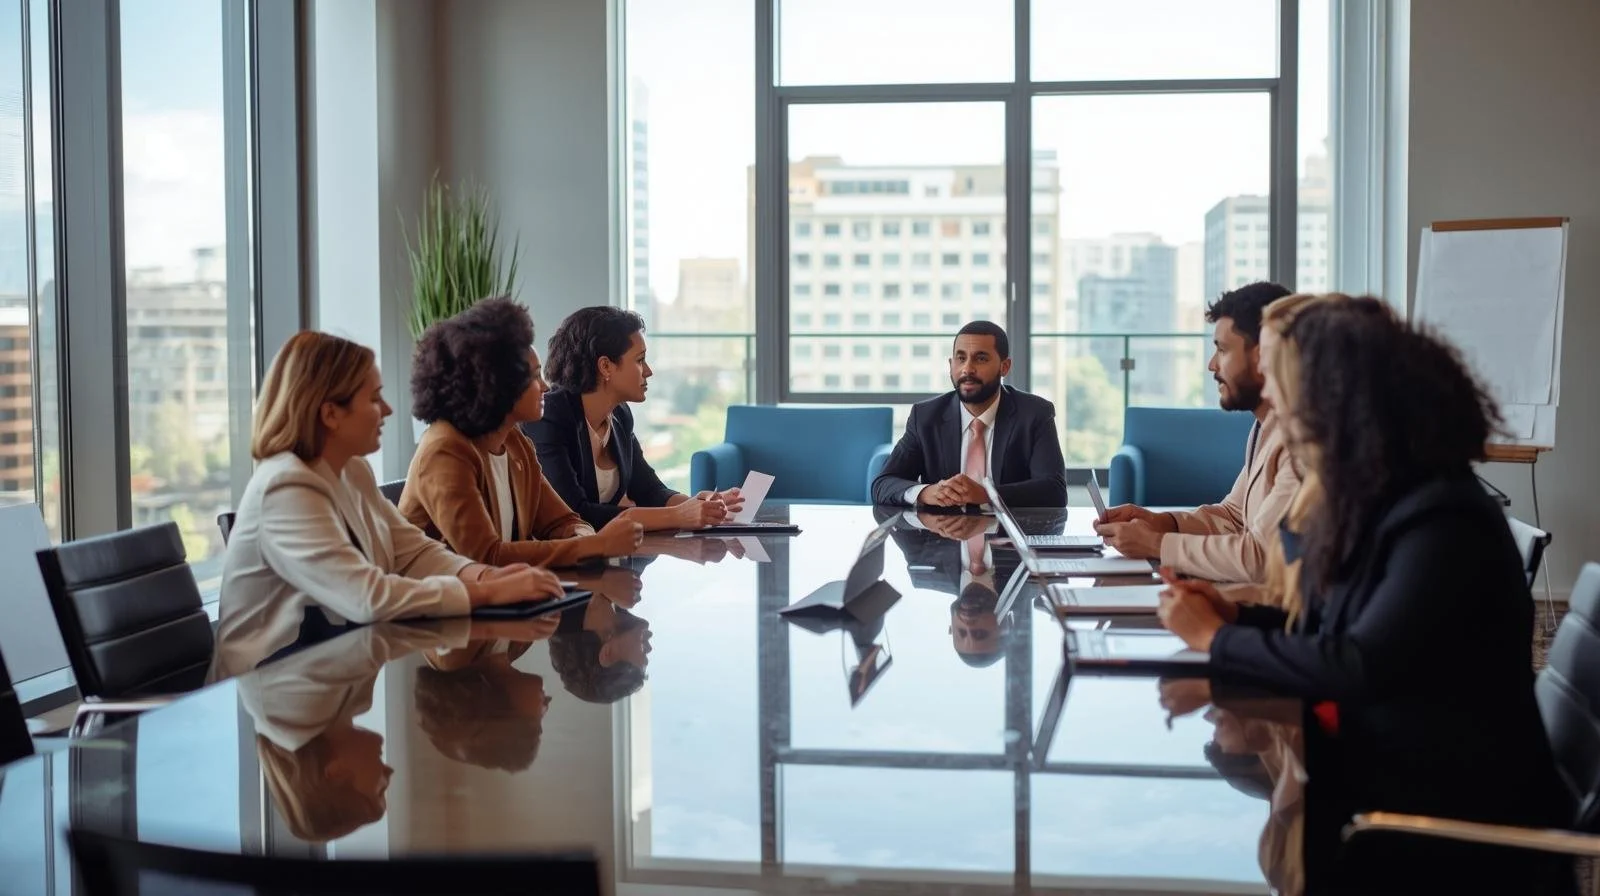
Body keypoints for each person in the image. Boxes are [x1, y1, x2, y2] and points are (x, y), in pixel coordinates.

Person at [1158, 298, 1575, 892]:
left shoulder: (1443, 515)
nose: (1271, 400)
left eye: (1282, 381)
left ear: (1336, 395)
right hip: (1390, 783)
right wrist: (1241, 616)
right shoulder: (1382, 496)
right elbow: (1338, 629)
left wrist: (1219, 641)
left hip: (1440, 826)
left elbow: (1360, 664)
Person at [214, 331, 564, 676]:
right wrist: (486, 592)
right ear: (330, 414)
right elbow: (368, 597)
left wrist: (487, 574)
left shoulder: (351, 469)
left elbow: (412, 551)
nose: (387, 409)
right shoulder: (285, 487)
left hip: (331, 674)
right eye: (374, 398)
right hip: (265, 690)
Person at [400, 297, 644, 567]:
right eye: (535, 376)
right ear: (497, 384)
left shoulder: (515, 442)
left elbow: (564, 521)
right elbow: (486, 556)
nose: (545, 387)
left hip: (506, 596)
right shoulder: (445, 449)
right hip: (442, 603)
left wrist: (584, 539)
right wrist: (594, 546)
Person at [1095, 282, 1300, 585]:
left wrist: (1156, 545)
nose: (1212, 365)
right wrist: (1159, 522)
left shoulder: (1303, 442)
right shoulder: (1264, 424)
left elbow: (1261, 558)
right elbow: (1234, 516)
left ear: (1264, 354)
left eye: (1223, 349)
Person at [525, 306, 743, 531]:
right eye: (640, 360)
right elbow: (576, 513)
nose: (648, 371)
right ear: (606, 366)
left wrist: (700, 506)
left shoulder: (620, 414)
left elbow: (649, 491)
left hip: (597, 552)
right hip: (551, 558)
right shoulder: (550, 416)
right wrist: (678, 516)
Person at [871, 321, 1067, 509]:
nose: (967, 369)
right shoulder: (925, 417)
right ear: (951, 364)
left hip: (1008, 539)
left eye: (981, 358)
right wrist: (926, 492)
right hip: (942, 537)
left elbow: (1054, 491)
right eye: (961, 358)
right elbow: (883, 484)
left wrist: (986, 495)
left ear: (1004, 367)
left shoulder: (1034, 414)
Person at [547, 594, 652, 704]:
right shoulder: (618, 583)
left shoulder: (547, 597)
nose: (649, 648)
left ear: (608, 654)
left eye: (644, 651)